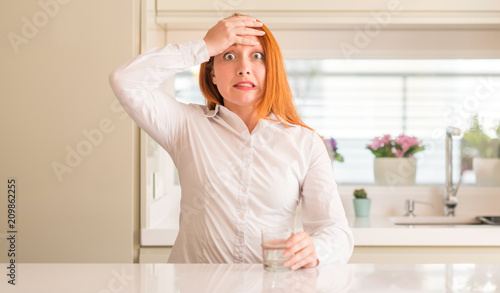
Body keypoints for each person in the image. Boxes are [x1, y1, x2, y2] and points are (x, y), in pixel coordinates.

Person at [109, 14, 353, 269]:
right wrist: (203, 47)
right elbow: (125, 81)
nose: (243, 68)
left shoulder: (305, 142)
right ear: (212, 73)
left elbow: (336, 231)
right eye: (228, 55)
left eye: (257, 56)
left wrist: (317, 249)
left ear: (272, 71)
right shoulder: (186, 125)